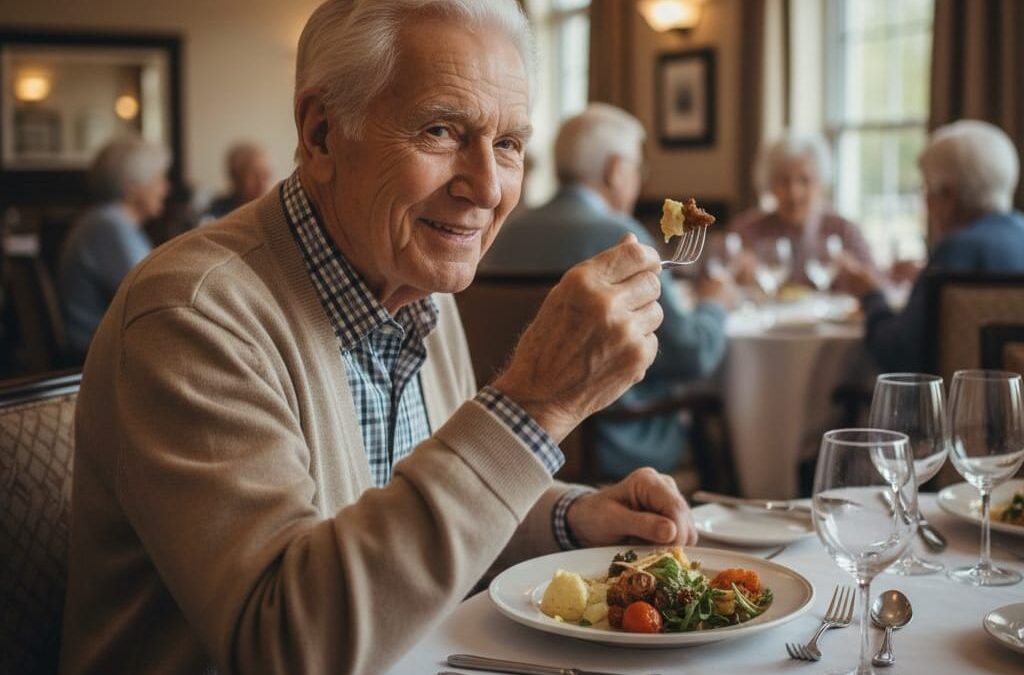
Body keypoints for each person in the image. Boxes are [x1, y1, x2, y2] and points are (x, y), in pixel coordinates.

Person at [58, 2, 699, 674]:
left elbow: (408, 524)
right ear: (322, 133)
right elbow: (288, 645)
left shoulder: (415, 280)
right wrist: (532, 405)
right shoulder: (192, 315)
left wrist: (571, 519)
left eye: (509, 144)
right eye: (441, 130)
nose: (485, 187)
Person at [482, 103, 728, 479]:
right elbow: (690, 354)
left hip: (517, 439)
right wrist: (714, 304)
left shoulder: (506, 232)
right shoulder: (621, 237)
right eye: (637, 169)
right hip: (614, 439)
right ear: (616, 170)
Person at [838, 120, 1024, 372]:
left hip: (959, 404)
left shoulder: (957, 249)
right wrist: (928, 275)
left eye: (925, 188)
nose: (925, 200)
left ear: (947, 195)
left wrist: (871, 294)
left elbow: (897, 353)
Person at [57, 136, 170, 359]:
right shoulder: (109, 225)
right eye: (158, 179)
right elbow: (151, 295)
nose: (165, 188)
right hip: (96, 357)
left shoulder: (109, 221)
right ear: (132, 186)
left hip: (103, 349)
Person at [728, 132, 876, 292]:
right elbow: (715, 286)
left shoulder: (845, 230)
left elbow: (879, 287)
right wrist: (734, 276)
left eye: (804, 180)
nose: (794, 192)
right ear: (769, 185)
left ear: (820, 184)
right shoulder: (747, 230)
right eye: (783, 181)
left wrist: (857, 274)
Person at [202, 141, 273, 220]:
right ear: (234, 176)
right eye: (254, 174)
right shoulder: (214, 216)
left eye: (266, 174)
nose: (262, 183)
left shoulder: (275, 213)